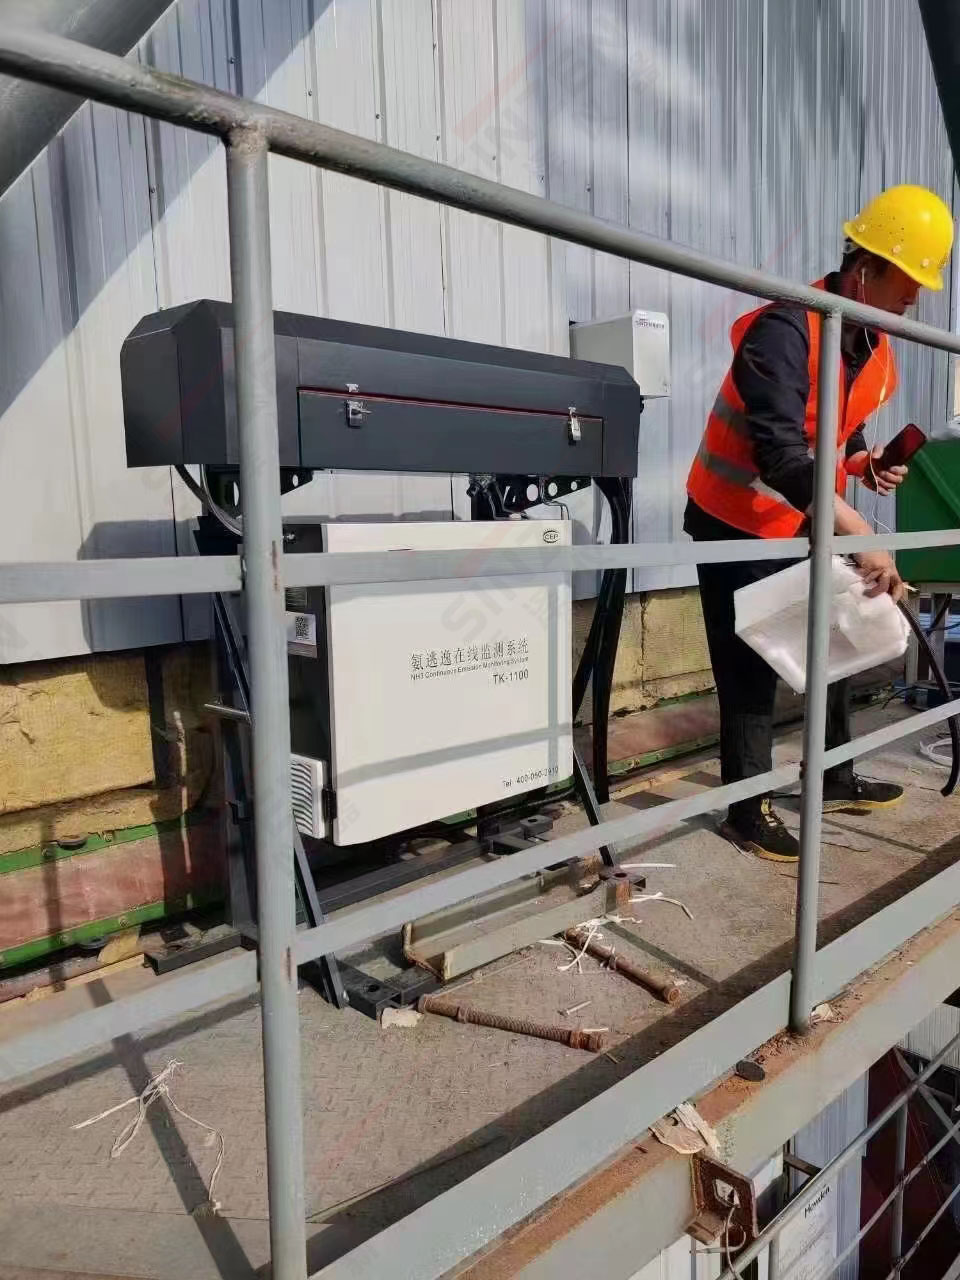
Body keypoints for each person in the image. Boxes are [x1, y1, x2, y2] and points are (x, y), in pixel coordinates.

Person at [685, 184, 954, 863]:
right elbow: (779, 450)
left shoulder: (870, 338)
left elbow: (837, 421)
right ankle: (746, 809)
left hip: (804, 519)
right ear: (865, 266)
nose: (915, 296)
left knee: (833, 638)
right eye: (908, 278)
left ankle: (832, 775)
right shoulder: (785, 329)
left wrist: (864, 462)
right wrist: (859, 529)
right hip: (734, 518)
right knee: (750, 662)